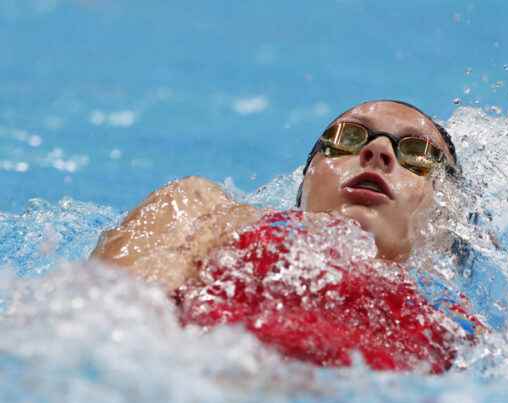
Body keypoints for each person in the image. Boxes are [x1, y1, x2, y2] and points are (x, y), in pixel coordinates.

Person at [91, 100, 481, 373]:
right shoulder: (207, 214)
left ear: (446, 215)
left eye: (417, 154)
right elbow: (106, 326)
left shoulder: (461, 323)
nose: (378, 151)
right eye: (347, 138)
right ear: (307, 181)